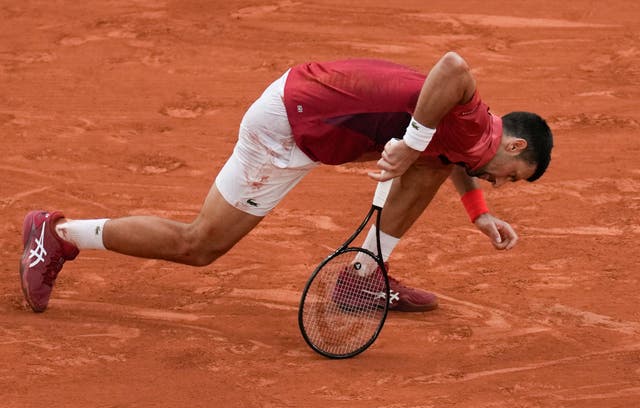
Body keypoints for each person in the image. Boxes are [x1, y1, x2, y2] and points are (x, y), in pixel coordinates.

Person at [19, 51, 553, 314]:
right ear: (515, 146)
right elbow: (454, 67)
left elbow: (453, 159)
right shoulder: (478, 127)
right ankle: (59, 234)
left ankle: (362, 277)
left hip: (307, 100)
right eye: (512, 178)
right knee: (199, 244)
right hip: (289, 128)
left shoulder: (473, 137)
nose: (501, 182)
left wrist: (478, 212)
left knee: (433, 166)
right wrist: (412, 143)